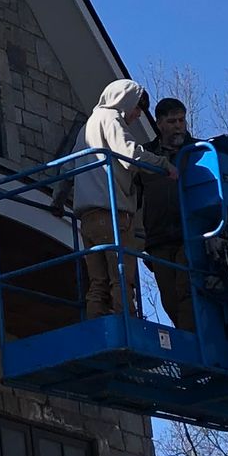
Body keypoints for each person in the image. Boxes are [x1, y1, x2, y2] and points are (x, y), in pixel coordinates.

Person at [73, 79, 153, 318]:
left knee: (98, 282)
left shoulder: (86, 127)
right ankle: (125, 324)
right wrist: (162, 165)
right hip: (113, 216)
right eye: (138, 107)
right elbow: (129, 154)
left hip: (87, 219)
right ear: (125, 100)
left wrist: (57, 201)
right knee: (121, 278)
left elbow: (68, 168)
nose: (138, 115)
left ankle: (96, 327)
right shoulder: (111, 119)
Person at [140, 97, 203, 332]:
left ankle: (190, 343)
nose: (178, 126)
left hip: (191, 233)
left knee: (188, 290)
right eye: (172, 121)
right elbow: (131, 195)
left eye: (182, 120)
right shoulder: (145, 155)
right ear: (159, 124)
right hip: (158, 238)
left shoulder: (199, 151)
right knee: (169, 298)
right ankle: (187, 342)